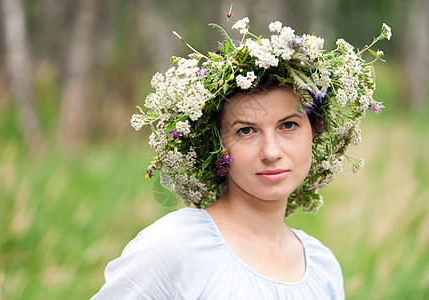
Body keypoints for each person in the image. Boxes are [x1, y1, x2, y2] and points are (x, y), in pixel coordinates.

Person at [92, 16, 391, 299]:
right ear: (217, 145)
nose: (271, 152)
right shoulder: (176, 246)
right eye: (246, 131)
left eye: (289, 125)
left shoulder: (322, 266)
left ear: (313, 132)